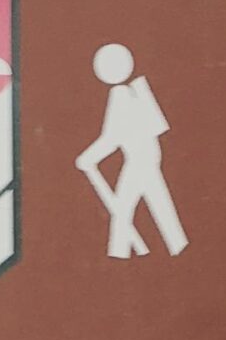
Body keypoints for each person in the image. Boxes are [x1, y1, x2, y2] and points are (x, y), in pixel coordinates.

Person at [77, 43, 188, 259]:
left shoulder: (120, 95)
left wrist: (88, 158)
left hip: (139, 160)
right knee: (156, 204)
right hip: (148, 157)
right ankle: (178, 246)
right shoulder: (134, 92)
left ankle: (119, 257)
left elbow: (112, 137)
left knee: (123, 208)